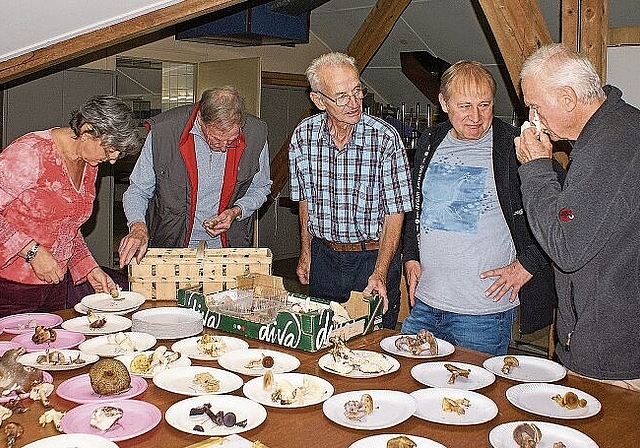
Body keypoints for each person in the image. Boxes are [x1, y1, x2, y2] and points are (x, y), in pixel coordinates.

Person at [401, 61, 557, 356]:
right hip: (425, 304)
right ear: (444, 103)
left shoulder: (515, 145)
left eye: (484, 105)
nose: (476, 117)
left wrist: (529, 264)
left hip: (483, 315)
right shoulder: (430, 139)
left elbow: (564, 213)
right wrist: (411, 255)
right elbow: (416, 205)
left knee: (473, 399)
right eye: (465, 106)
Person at [515, 43, 640, 389]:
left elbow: (566, 247)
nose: (533, 119)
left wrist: (537, 168)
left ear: (568, 99)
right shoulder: (614, 130)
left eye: (536, 107)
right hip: (603, 345)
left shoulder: (612, 146)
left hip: (615, 361)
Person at [288, 52, 413, 329]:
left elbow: (396, 212)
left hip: (372, 258)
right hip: (325, 259)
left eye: (357, 91)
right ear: (319, 100)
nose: (355, 103)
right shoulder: (303, 137)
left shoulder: (385, 138)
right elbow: (305, 200)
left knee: (372, 345)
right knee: (323, 340)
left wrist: (380, 272)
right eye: (342, 96)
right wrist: (306, 253)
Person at [0, 95, 143, 317]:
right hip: (10, 288)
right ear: (87, 130)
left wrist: (88, 268)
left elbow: (67, 228)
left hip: (56, 286)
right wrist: (32, 252)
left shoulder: (90, 164)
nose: (113, 160)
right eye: (109, 150)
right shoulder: (31, 152)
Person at [118, 86, 271, 267]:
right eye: (216, 138)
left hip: (228, 248)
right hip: (172, 247)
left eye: (231, 140)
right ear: (201, 120)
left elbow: (261, 188)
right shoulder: (164, 132)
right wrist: (137, 227)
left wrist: (236, 211)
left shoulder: (256, 133)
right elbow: (138, 190)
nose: (223, 147)